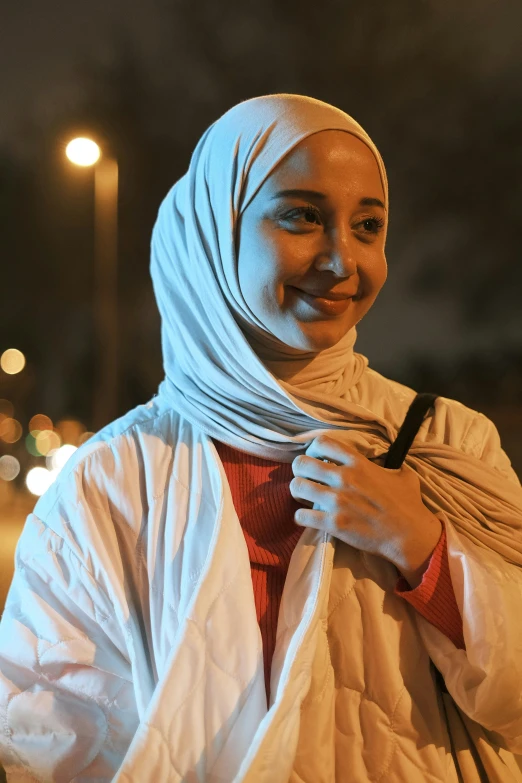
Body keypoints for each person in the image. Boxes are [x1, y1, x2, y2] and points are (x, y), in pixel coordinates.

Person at [1, 93, 522, 783]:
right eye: (302, 216)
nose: (342, 260)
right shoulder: (116, 475)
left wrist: (420, 545)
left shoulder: (447, 442)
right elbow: (45, 735)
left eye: (369, 226)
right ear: (218, 232)